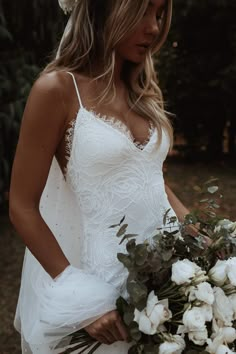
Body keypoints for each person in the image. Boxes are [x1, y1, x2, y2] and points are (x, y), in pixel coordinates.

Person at [9, 0, 192, 353]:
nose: (154, 27)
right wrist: (82, 299)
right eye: (142, 12)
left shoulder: (144, 92)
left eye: (158, 14)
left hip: (165, 284)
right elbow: (22, 206)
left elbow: (153, 181)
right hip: (103, 295)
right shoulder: (57, 90)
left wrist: (206, 239)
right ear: (103, 10)